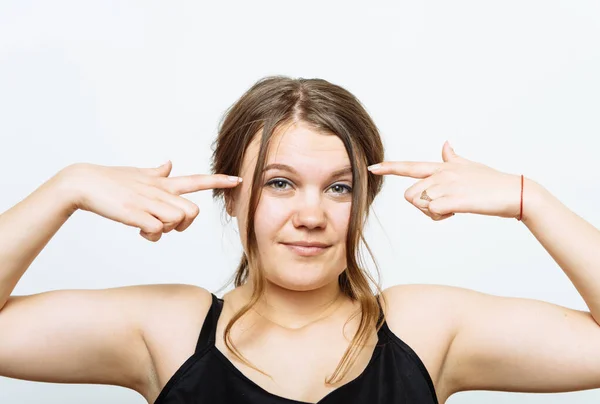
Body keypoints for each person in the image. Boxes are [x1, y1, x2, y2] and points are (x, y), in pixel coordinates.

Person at [0, 76, 599, 404]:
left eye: (339, 189)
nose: (311, 214)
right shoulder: (168, 328)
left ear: (363, 201)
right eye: (280, 184)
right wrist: (66, 188)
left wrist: (530, 199)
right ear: (230, 194)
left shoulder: (426, 327)